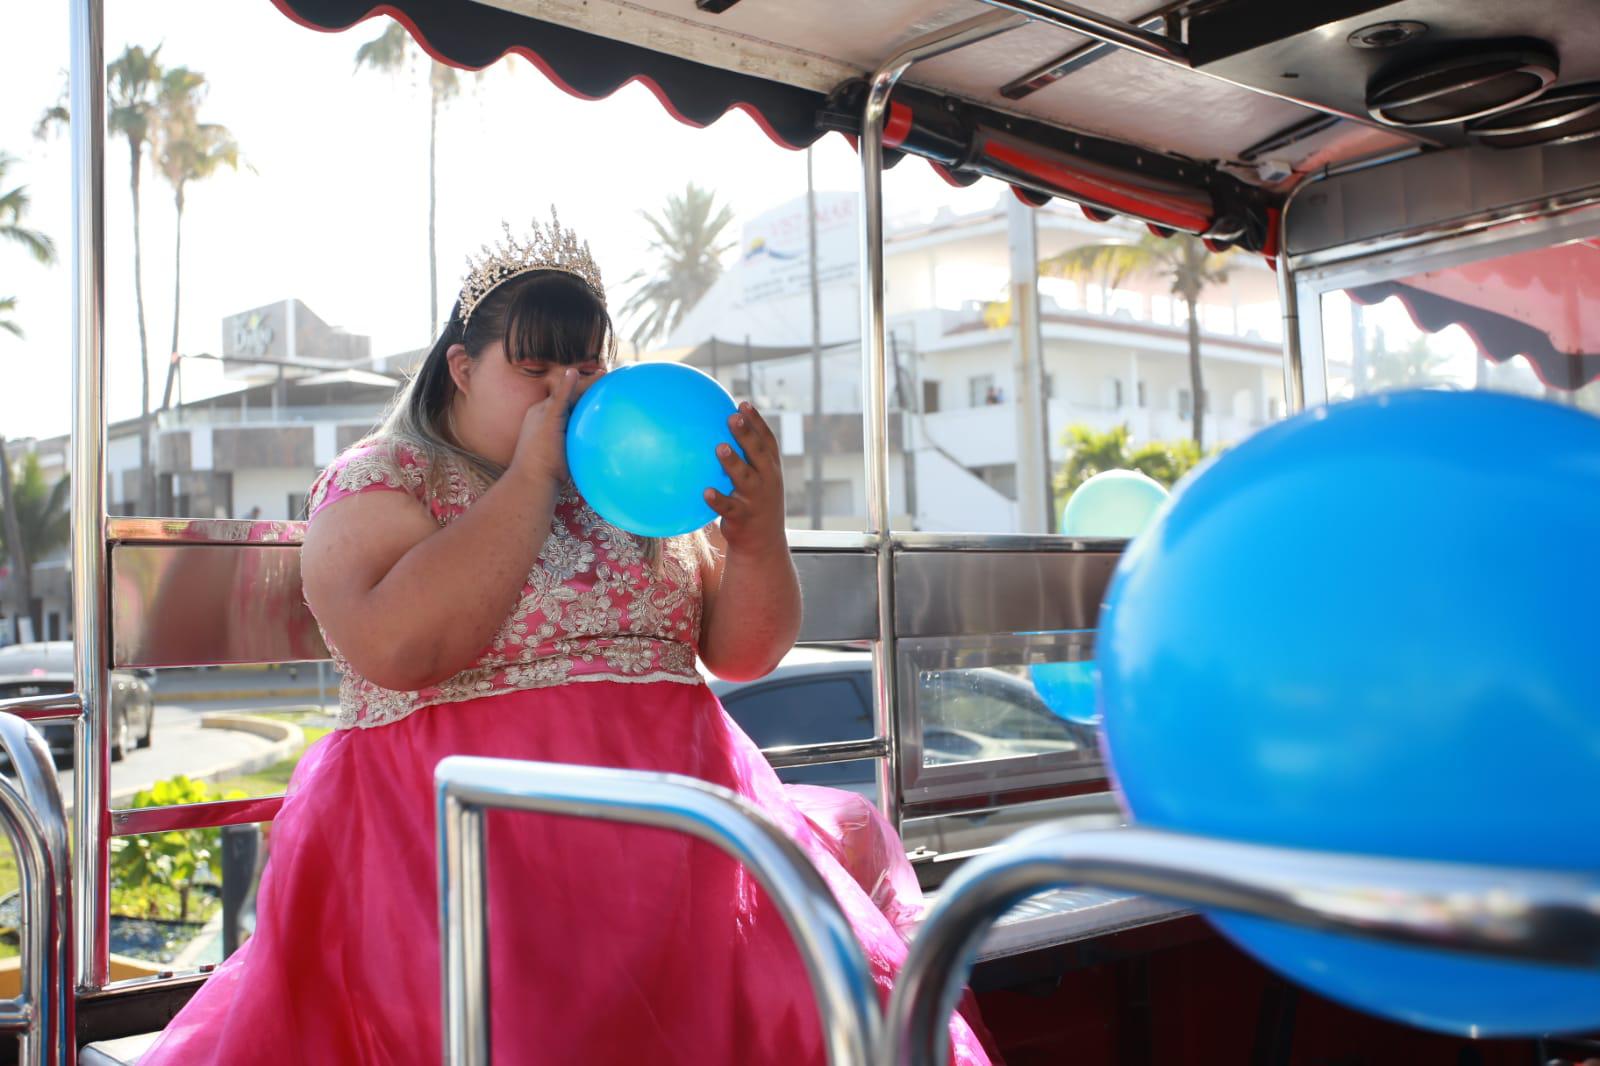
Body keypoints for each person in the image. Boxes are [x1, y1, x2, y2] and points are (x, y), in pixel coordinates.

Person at [142, 213, 997, 1065]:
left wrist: (755, 529)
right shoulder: (385, 477)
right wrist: (530, 479)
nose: (569, 389)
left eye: (587, 366)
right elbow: (396, 647)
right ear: (462, 368)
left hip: (677, 870)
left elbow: (740, 653)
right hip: (464, 865)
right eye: (535, 368)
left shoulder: (631, 493)